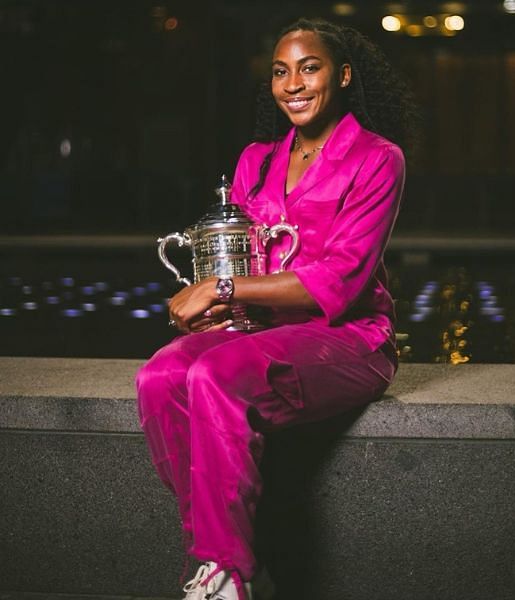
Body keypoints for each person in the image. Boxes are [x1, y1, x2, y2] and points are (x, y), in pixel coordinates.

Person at [134, 17, 418, 600]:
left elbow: (338, 282)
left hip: (348, 339)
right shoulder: (255, 161)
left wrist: (222, 291)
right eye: (280, 71)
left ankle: (226, 575)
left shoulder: (378, 158)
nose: (293, 83)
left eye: (308, 68)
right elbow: (239, 270)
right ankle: (225, 560)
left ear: (341, 76)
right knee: (160, 374)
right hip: (259, 331)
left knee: (214, 375)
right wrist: (213, 301)